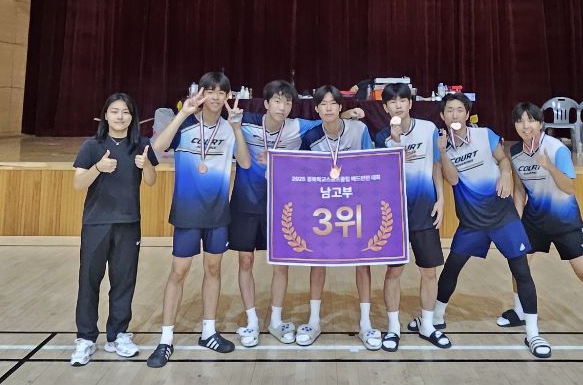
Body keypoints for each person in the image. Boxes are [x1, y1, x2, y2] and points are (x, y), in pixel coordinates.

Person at [417, 92, 551, 359]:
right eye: (449, 111)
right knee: (452, 267)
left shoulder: (484, 135)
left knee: (521, 271)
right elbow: (453, 180)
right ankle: (437, 317)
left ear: (467, 114)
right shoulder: (440, 143)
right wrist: (442, 151)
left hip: (503, 217)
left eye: (459, 109)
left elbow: (503, 159)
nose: (455, 114)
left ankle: (533, 333)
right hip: (472, 222)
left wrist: (505, 173)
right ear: (442, 116)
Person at [232, 80, 364, 347]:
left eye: (287, 102)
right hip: (247, 203)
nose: (282, 107)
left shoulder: (298, 127)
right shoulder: (246, 123)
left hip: (282, 204)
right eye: (277, 101)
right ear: (266, 103)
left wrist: (349, 113)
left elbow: (324, 122)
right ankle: (252, 321)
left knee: (281, 264)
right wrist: (233, 125)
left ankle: (275, 320)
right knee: (245, 261)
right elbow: (241, 160)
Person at [502, 102, 583, 361]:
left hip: (565, 222)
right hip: (533, 221)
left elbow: (570, 187)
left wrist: (550, 167)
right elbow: (520, 190)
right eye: (520, 121)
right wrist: (516, 221)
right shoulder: (515, 152)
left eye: (530, 120)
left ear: (540, 124)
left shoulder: (557, 149)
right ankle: (519, 311)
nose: (525, 126)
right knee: (519, 267)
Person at [146, 71, 251, 368]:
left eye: (221, 92)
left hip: (218, 213)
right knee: (178, 272)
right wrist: (183, 114)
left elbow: (244, 163)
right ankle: (166, 339)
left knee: (213, 270)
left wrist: (237, 129)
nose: (216, 97)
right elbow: (157, 148)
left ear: (228, 97)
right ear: (201, 94)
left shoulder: (230, 128)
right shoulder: (186, 125)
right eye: (210, 91)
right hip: (187, 212)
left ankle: (208, 332)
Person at [69, 92, 158, 366]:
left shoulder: (142, 145)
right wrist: (98, 167)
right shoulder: (92, 146)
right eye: (115, 111)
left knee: (123, 281)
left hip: (129, 223)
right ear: (105, 115)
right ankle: (85, 338)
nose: (120, 116)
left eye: (126, 112)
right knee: (89, 280)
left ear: (133, 117)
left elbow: (151, 181)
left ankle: (118, 334)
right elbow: (78, 184)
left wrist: (146, 166)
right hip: (96, 223)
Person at [298, 84, 376, 349]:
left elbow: (371, 164)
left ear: (340, 107)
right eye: (323, 104)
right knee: (317, 262)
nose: (328, 108)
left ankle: (366, 323)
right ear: (316, 109)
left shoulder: (360, 130)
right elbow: (302, 174)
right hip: (322, 209)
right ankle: (314, 321)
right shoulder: (310, 137)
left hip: (355, 207)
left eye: (333, 103)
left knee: (362, 262)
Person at [373, 83, 449, 351]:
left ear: (410, 103)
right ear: (385, 108)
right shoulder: (381, 137)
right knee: (394, 271)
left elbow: (436, 165)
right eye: (392, 102)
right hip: (394, 215)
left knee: (429, 271)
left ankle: (427, 324)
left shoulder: (428, 129)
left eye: (402, 100)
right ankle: (393, 327)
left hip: (425, 209)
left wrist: (441, 199)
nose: (398, 105)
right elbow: (379, 176)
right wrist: (394, 146)